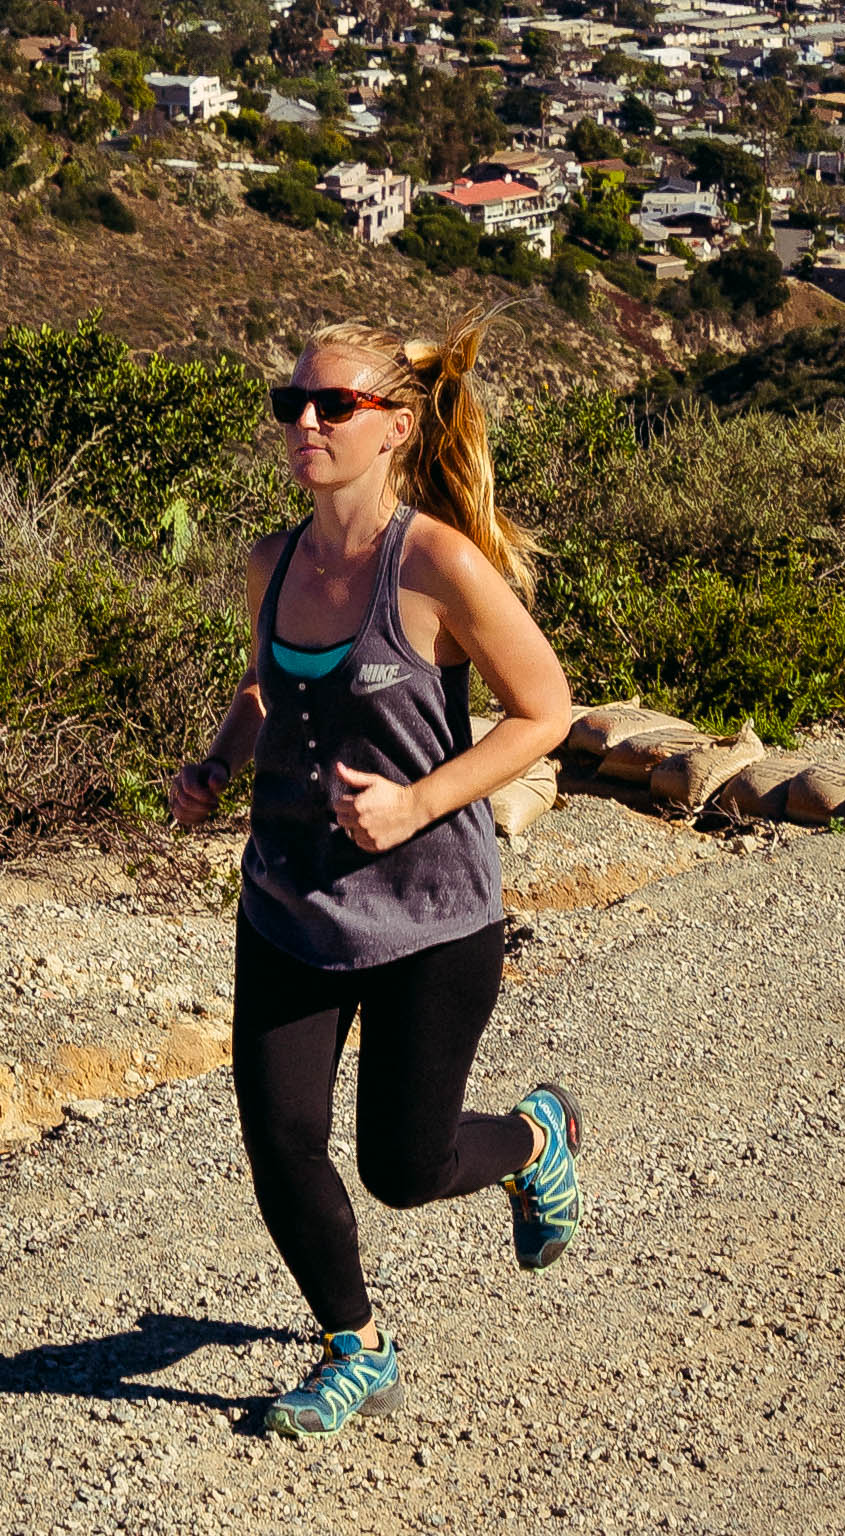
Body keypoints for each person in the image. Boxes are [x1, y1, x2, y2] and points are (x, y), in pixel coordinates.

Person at [168, 305, 584, 1440]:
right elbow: (266, 687)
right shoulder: (274, 559)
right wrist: (214, 763)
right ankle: (355, 1344)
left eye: (331, 402)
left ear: (394, 424)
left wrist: (416, 799)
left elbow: (542, 711)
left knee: (405, 1165)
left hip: (430, 914)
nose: (303, 419)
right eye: (289, 402)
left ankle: (538, 1136)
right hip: (291, 900)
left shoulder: (438, 561)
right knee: (279, 1131)